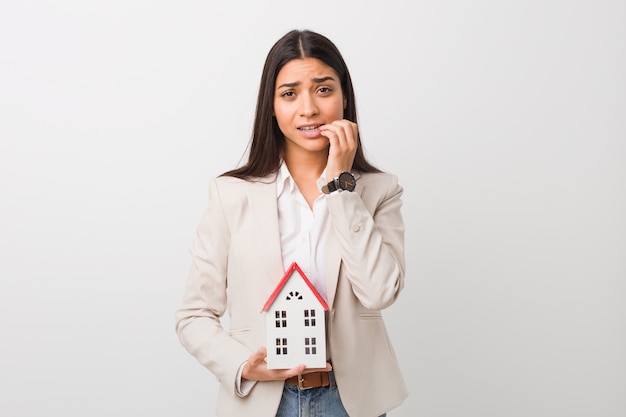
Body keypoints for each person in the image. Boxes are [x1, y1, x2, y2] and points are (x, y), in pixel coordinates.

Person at [175, 29, 408, 417]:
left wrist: (340, 187)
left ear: (344, 97)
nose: (308, 109)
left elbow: (380, 292)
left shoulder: (379, 191)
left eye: (323, 89)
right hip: (261, 400)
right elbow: (194, 315)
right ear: (271, 105)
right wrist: (242, 364)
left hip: (350, 403)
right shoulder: (231, 194)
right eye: (289, 93)